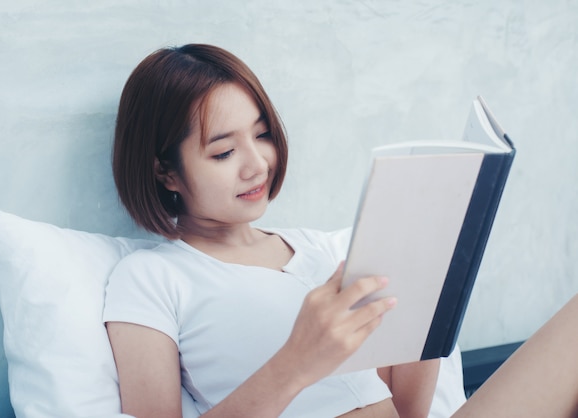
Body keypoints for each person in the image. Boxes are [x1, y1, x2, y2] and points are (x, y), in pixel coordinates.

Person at [103, 44, 578, 418]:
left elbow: (408, 410)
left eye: (263, 134)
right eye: (224, 152)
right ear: (166, 171)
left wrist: (434, 300)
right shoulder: (149, 277)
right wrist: (297, 361)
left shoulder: (322, 250)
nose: (257, 164)